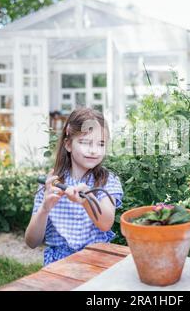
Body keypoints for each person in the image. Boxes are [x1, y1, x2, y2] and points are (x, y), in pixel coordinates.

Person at [25, 108, 123, 265]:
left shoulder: (107, 181)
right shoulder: (52, 183)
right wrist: (44, 209)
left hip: (96, 259)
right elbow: (32, 242)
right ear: (68, 144)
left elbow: (105, 224)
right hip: (59, 263)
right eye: (85, 142)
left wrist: (87, 200)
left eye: (101, 144)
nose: (94, 150)